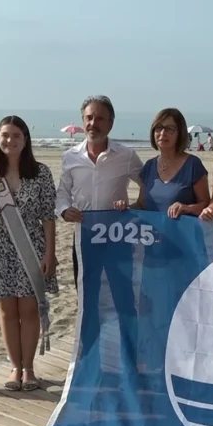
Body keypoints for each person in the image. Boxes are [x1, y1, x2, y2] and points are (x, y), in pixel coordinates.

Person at [0, 116, 58, 392]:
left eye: (16, 136)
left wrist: (50, 253)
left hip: (31, 246)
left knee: (29, 308)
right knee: (7, 310)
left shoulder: (41, 173)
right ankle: (15, 367)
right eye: (5, 135)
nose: (10, 141)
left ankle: (29, 369)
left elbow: (48, 216)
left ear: (25, 139)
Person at [56, 96, 144, 286]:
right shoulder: (70, 157)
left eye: (100, 119)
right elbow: (62, 192)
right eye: (89, 118)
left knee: (121, 291)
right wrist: (64, 209)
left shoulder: (127, 156)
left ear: (111, 124)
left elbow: (148, 186)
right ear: (83, 121)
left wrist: (133, 207)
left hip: (117, 235)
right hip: (84, 235)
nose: (93, 124)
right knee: (86, 291)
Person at [116, 108, 209, 217]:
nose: (163, 133)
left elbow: (206, 205)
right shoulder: (149, 166)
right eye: (158, 128)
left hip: (184, 228)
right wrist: (125, 208)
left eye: (169, 129)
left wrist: (187, 208)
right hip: (152, 228)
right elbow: (141, 204)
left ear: (180, 133)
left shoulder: (193, 165)